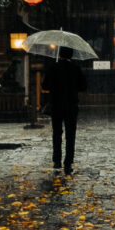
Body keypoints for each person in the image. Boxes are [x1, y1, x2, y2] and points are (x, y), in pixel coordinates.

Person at [42, 46, 86, 174]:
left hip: (56, 105)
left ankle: (56, 160)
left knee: (57, 133)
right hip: (71, 105)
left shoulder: (53, 68)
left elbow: (45, 85)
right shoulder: (75, 68)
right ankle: (68, 162)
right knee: (70, 135)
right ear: (71, 56)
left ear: (60, 54)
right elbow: (83, 86)